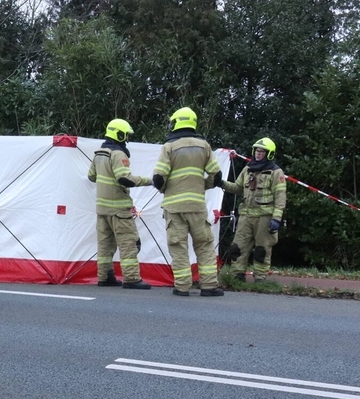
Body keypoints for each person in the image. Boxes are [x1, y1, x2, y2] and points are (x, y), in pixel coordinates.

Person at [152, 107, 224, 296]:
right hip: (197, 206)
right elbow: (217, 176)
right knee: (204, 244)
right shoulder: (204, 146)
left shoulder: (169, 147)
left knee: (178, 246)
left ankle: (182, 287)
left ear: (176, 122)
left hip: (174, 208)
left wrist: (166, 190)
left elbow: (158, 178)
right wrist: (202, 186)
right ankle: (209, 286)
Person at [88, 119, 152, 289]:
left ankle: (105, 277)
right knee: (128, 243)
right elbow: (124, 178)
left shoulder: (99, 153)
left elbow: (91, 176)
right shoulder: (118, 154)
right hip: (118, 209)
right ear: (120, 134)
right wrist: (150, 181)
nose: (127, 139)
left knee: (105, 245)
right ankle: (131, 278)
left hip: (102, 210)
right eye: (126, 135)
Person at [222, 137, 287, 282]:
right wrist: (221, 183)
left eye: (262, 152)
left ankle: (260, 279)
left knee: (262, 250)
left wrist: (276, 218)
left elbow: (280, 197)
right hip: (245, 216)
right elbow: (237, 187)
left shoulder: (276, 172)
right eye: (257, 151)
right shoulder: (247, 169)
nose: (258, 154)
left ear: (269, 154)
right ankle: (237, 277)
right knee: (237, 248)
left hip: (264, 218)